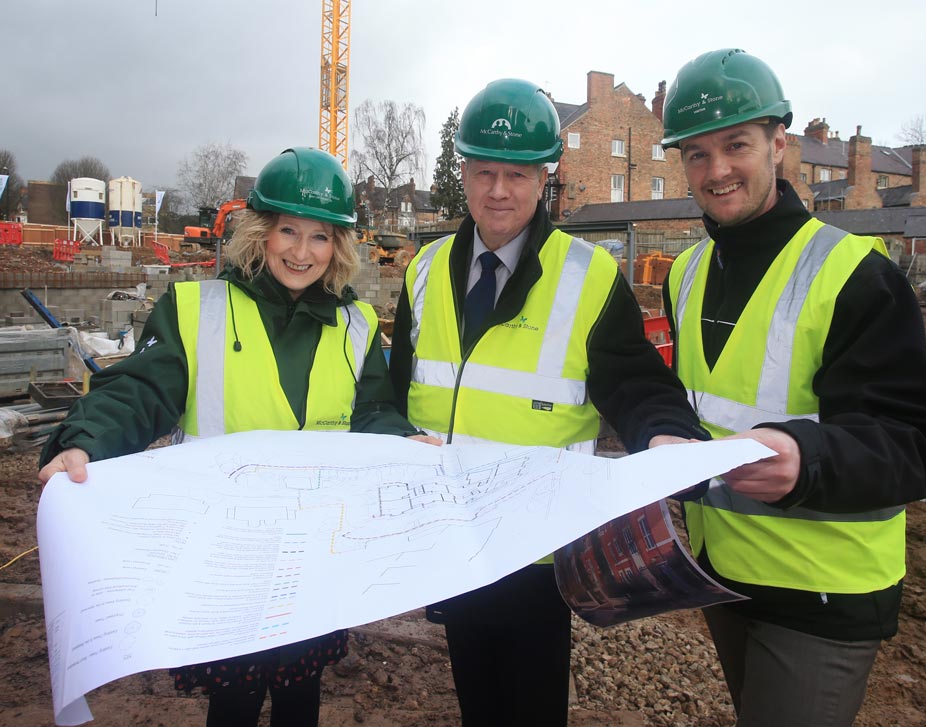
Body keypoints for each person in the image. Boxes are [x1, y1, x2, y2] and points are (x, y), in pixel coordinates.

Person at [38, 147, 439, 727]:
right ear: (260, 232)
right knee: (235, 699)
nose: (302, 252)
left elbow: (372, 411)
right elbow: (141, 392)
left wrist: (403, 441)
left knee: (302, 693)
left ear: (339, 246)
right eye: (288, 231)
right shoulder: (196, 309)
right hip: (230, 552)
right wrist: (85, 440)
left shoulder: (353, 325)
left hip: (313, 550)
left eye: (321, 237)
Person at [388, 78, 708, 727]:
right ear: (463, 172)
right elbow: (394, 396)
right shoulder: (422, 273)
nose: (499, 190)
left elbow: (640, 386)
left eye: (516, 174)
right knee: (477, 704)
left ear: (544, 178)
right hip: (450, 542)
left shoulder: (588, 279)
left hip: (536, 557)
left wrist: (667, 434)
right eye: (484, 172)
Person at [659, 49, 926, 727]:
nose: (717, 169)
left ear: (778, 144)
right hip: (725, 571)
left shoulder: (852, 272)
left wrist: (807, 457)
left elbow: (916, 444)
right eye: (697, 155)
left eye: (736, 145)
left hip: (822, 587)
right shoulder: (686, 272)